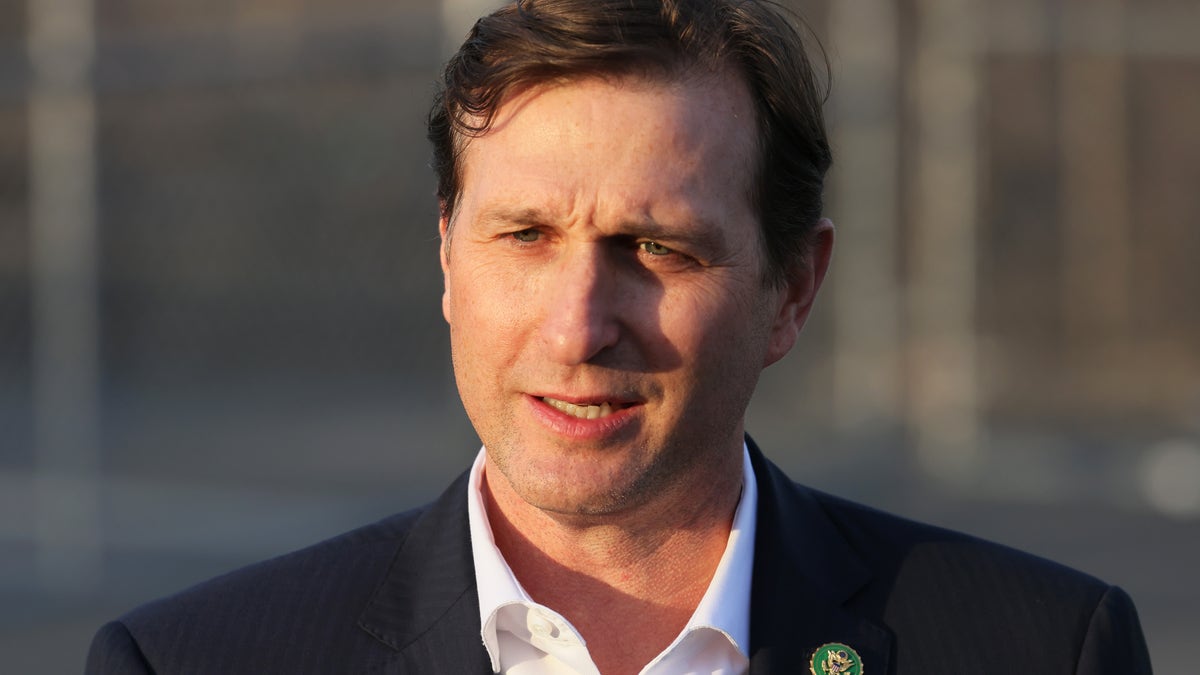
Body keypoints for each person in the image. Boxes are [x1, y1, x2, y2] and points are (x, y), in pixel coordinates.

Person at [86, 1, 1152, 673]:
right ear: (449, 260)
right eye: (525, 236)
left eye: (656, 248)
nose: (579, 324)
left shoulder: (1044, 647)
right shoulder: (188, 660)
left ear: (792, 289)